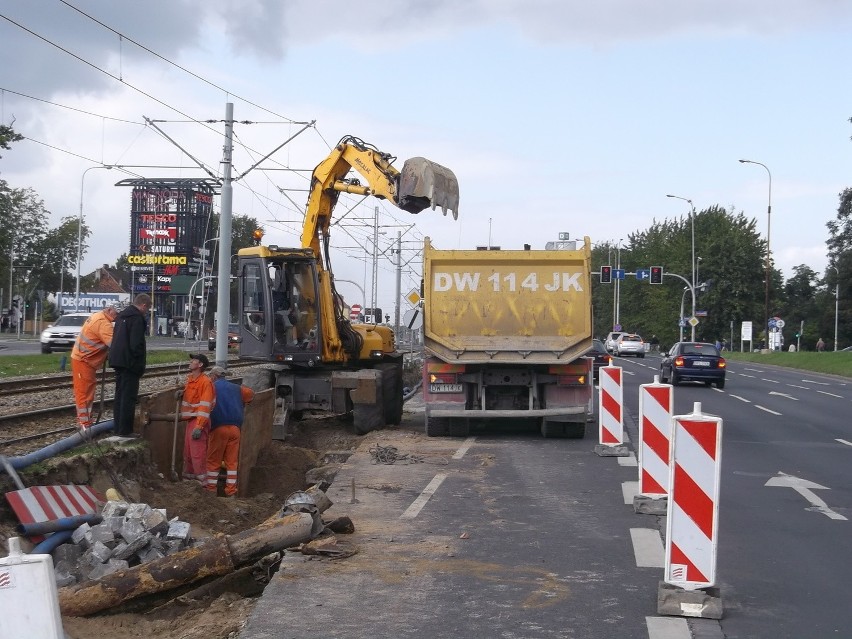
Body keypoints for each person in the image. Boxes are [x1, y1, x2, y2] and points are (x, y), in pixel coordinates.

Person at [206, 365, 254, 497]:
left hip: (218, 428)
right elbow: (250, 395)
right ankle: (231, 492)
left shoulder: (211, 387)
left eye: (210, 376)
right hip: (235, 429)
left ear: (214, 376)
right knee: (231, 462)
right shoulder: (237, 388)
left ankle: (211, 491)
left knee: (213, 461)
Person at [108, 294, 152, 438]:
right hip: (130, 363)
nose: (147, 311)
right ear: (144, 305)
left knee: (119, 395)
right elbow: (136, 343)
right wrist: (139, 362)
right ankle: (125, 430)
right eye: (148, 308)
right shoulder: (137, 318)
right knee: (129, 397)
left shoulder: (121, 316)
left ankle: (118, 427)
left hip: (117, 360)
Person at [71, 305, 118, 431]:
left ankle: (85, 422)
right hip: (83, 360)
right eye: (116, 313)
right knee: (84, 393)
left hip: (83, 359)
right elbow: (115, 345)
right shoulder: (103, 324)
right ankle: (84, 425)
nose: (117, 317)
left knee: (85, 392)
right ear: (109, 310)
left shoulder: (98, 316)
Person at [180, 353, 215, 483]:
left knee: (197, 455)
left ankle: (203, 485)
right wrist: (182, 392)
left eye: (193, 360)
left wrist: (199, 426)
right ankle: (189, 483)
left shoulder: (205, 382)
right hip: (191, 420)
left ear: (200, 365)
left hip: (199, 421)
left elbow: (205, 407)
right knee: (188, 453)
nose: (191, 362)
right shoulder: (191, 380)